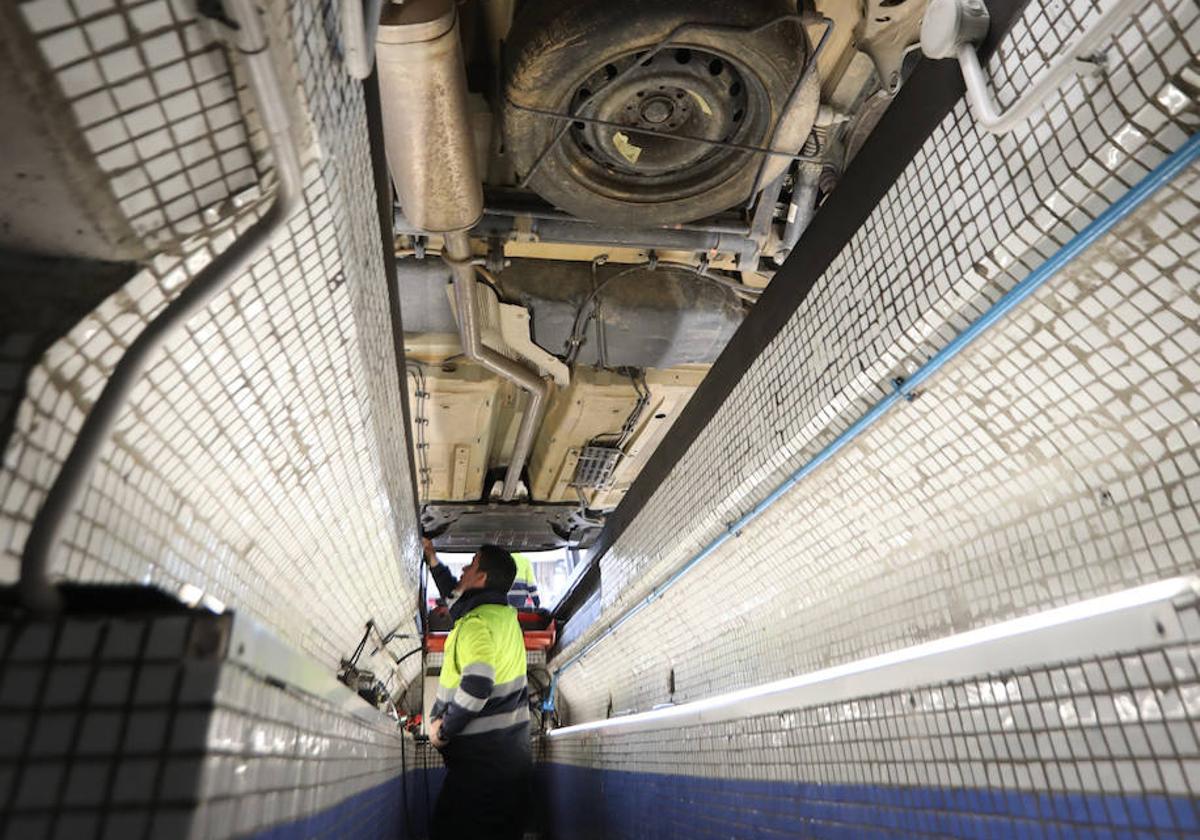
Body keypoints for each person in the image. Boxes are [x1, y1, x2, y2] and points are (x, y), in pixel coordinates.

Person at [423, 538, 531, 840]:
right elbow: (454, 596)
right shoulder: (502, 617)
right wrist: (432, 558)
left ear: (481, 578)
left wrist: (443, 730)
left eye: (470, 564)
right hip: (509, 768)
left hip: (482, 773)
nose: (463, 568)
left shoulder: (476, 624)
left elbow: (478, 684)